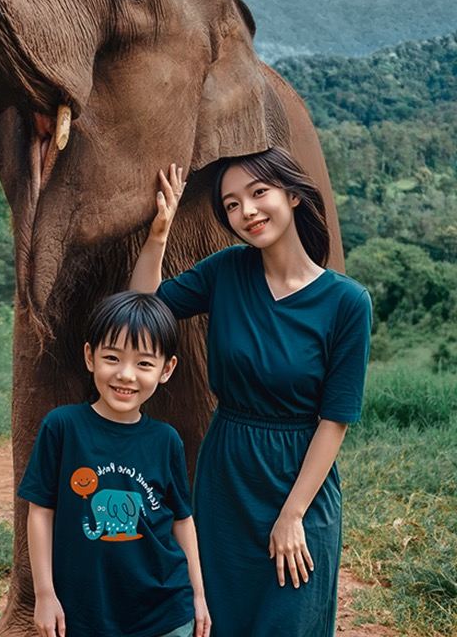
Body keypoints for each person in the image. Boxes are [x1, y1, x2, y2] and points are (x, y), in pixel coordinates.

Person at [129, 149, 372, 636]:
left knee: (291, 618)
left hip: (300, 482)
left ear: (293, 195)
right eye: (232, 204)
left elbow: (335, 419)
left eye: (259, 193)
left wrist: (292, 515)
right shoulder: (226, 272)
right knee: (223, 618)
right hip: (227, 473)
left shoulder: (347, 302)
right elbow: (144, 311)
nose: (248, 211)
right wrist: (159, 233)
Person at [19, 291, 212, 637]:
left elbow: (182, 520)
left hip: (164, 610)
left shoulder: (165, 440)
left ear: (166, 369)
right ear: (89, 356)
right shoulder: (63, 427)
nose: (126, 375)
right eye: (112, 357)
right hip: (84, 611)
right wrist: (44, 594)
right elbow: (40, 512)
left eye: (144, 364)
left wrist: (198, 596)